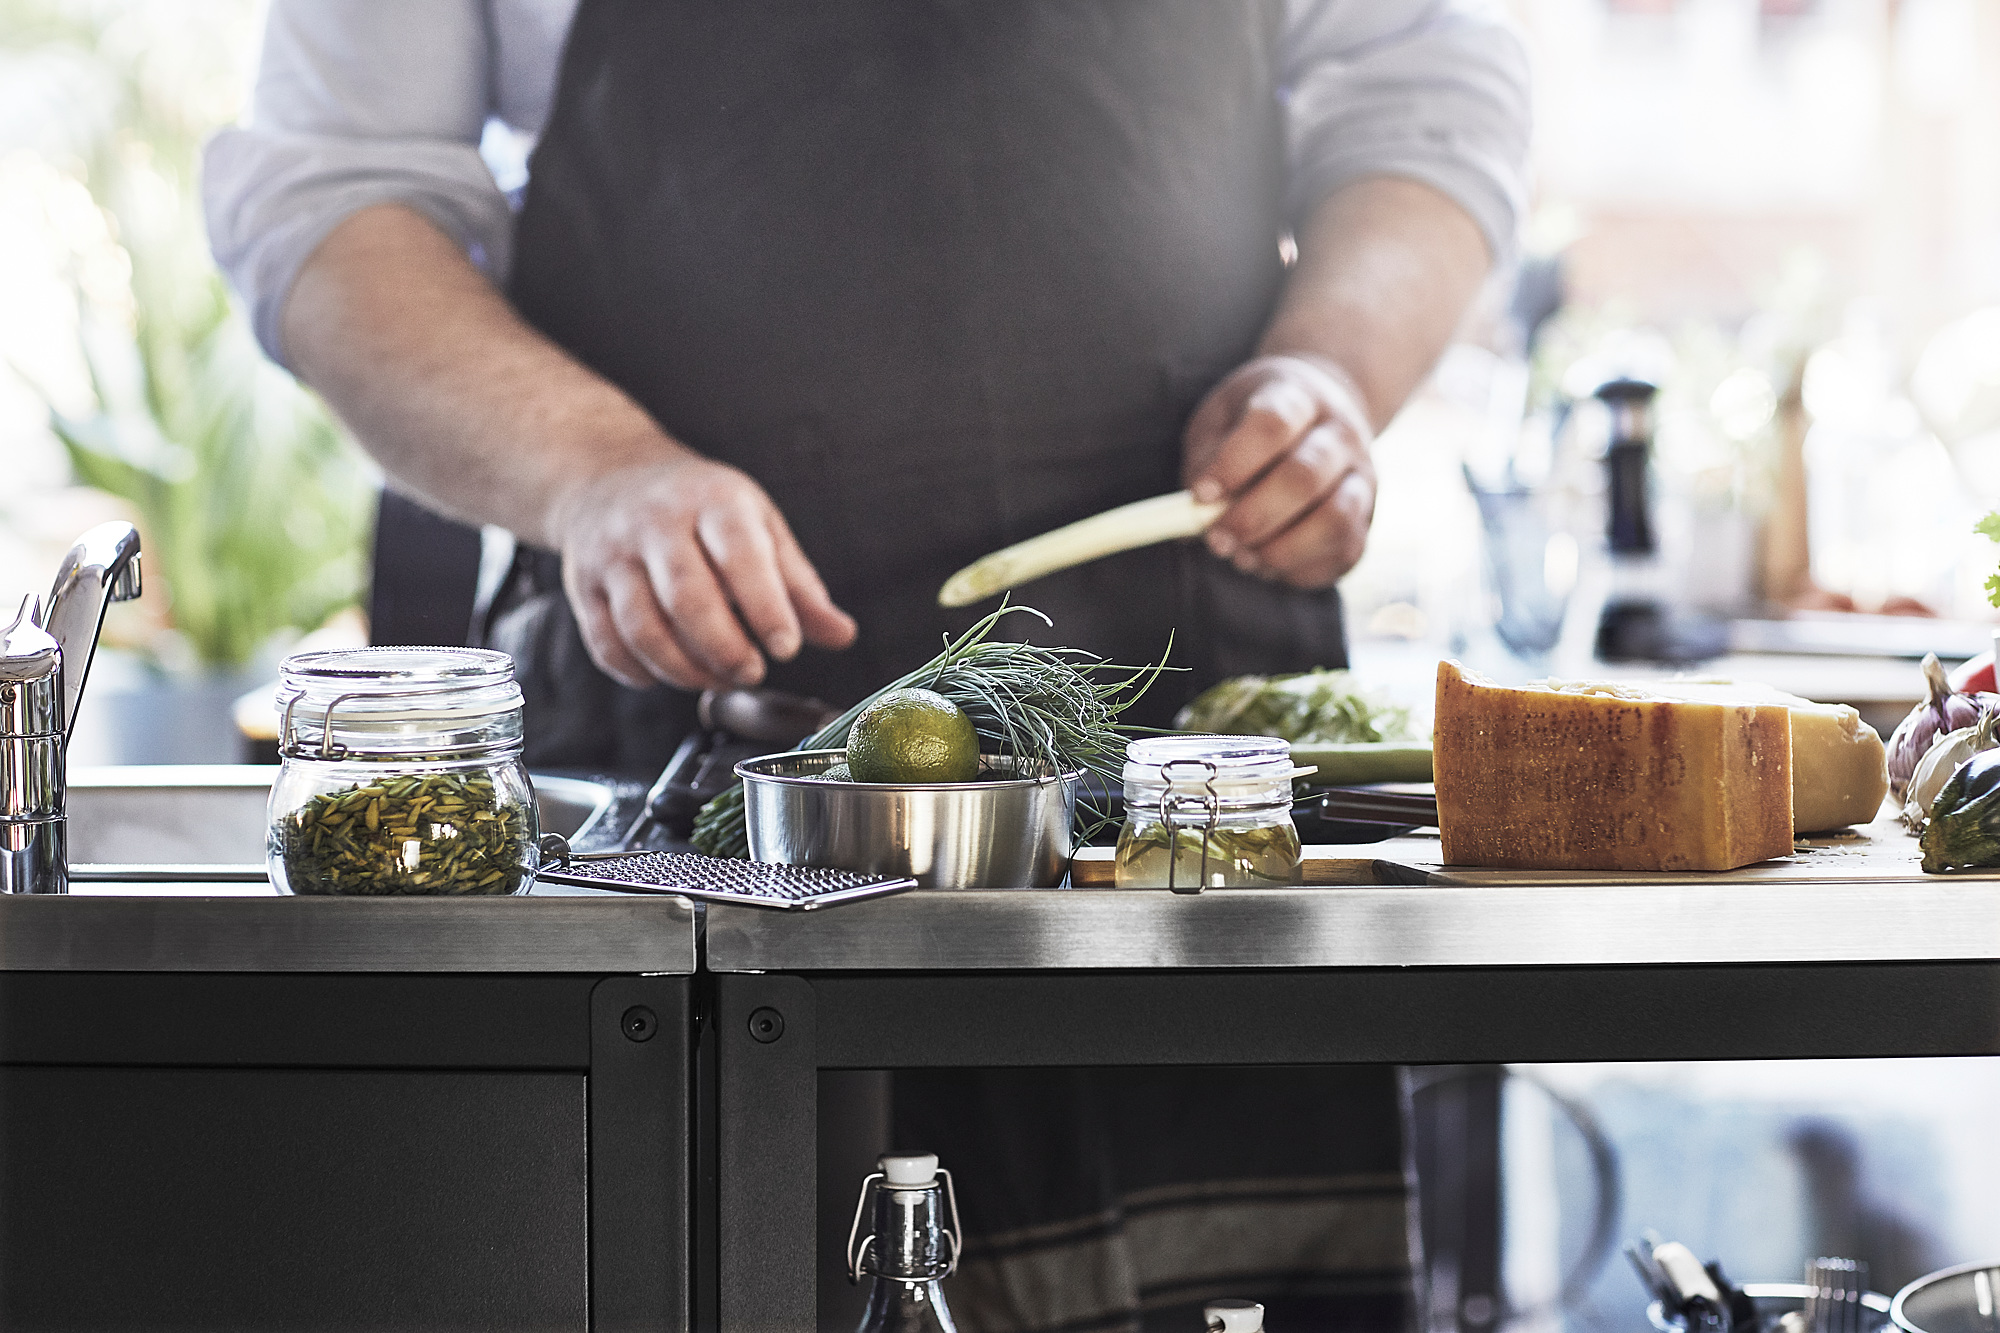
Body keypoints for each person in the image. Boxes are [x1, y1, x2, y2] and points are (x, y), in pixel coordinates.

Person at [206, 3, 1529, 1328]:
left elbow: (1425, 86)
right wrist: (593, 471)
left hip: (1181, 772)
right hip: (692, 762)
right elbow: (335, 194)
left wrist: (1331, 372)